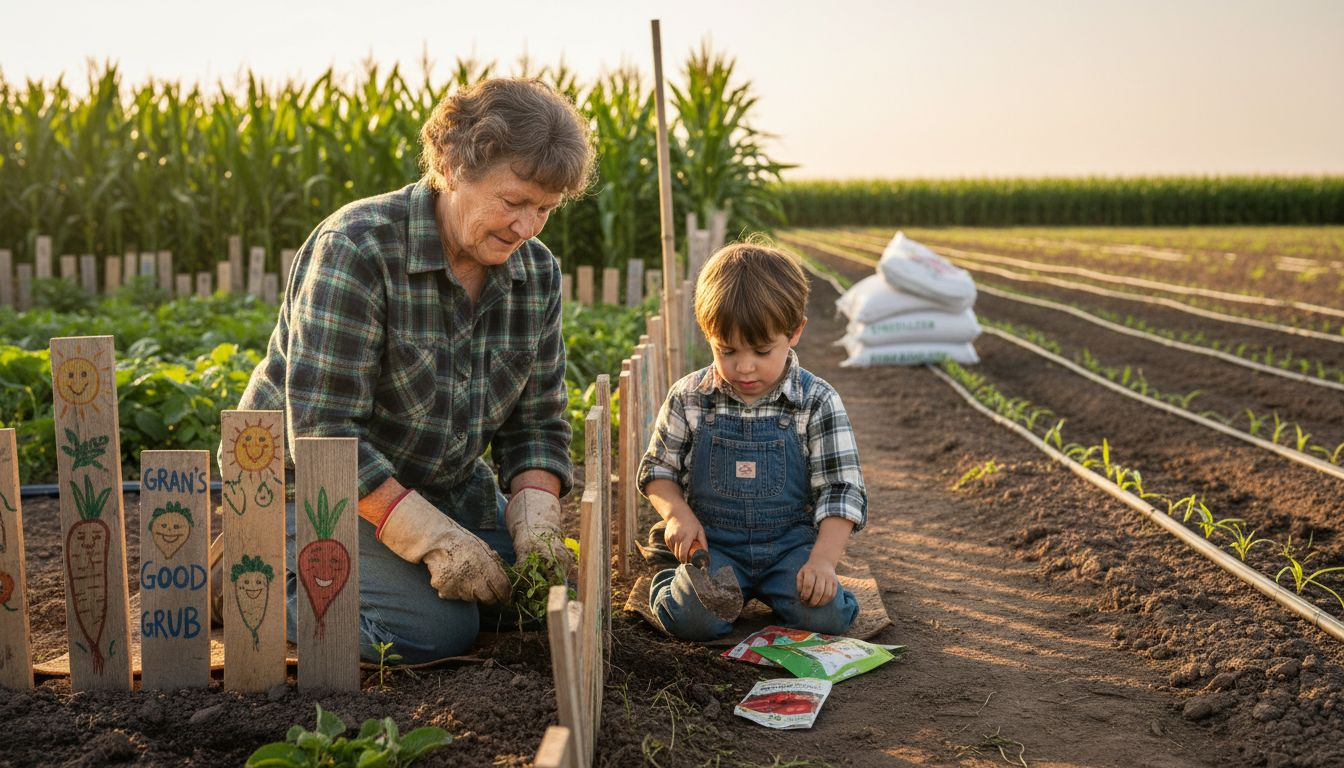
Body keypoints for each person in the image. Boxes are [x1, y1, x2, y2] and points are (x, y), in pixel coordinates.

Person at [224, 77, 594, 663]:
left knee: (533, 598)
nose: (527, 228)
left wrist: (537, 521)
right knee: (435, 630)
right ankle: (252, 579)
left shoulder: (536, 274)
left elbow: (537, 424)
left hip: (438, 486)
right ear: (450, 166)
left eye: (544, 210)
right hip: (307, 489)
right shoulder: (358, 248)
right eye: (513, 202)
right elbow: (323, 435)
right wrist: (432, 538)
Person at [638, 240, 867, 641]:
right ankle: (675, 577)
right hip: (716, 546)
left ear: (795, 332)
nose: (744, 367)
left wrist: (822, 562)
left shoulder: (817, 401)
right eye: (727, 350)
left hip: (790, 548)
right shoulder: (689, 397)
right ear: (707, 334)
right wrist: (676, 514)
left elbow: (841, 489)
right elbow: (658, 470)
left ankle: (794, 588)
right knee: (692, 619)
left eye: (762, 351)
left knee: (826, 619)